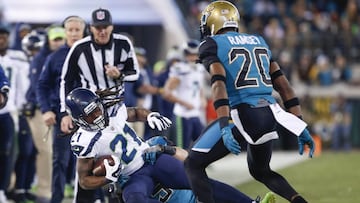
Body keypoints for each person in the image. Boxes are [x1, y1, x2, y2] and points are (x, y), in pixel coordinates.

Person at [184, 1, 315, 203]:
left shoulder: (212, 44)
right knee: (260, 170)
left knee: (192, 163)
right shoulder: (258, 40)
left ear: (212, 22)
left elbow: (218, 84)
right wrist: (300, 125)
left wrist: (224, 126)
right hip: (270, 113)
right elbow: (284, 86)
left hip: (242, 114)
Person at [65, 87, 275, 203]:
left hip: (150, 158)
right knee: (135, 200)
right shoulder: (83, 141)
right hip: (131, 177)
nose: (97, 114)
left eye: (97, 109)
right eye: (90, 114)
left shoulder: (111, 111)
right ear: (79, 119)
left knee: (199, 181)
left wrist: (150, 116)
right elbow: (84, 181)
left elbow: (136, 112)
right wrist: (107, 178)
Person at [58, 8, 140, 202]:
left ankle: (118, 198)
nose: (102, 31)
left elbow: (135, 72)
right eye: (98, 27)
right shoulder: (80, 47)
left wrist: (119, 75)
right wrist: (65, 112)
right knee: (88, 162)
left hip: (116, 113)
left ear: (111, 27)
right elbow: (66, 81)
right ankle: (85, 199)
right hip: (89, 114)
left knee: (123, 159)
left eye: (105, 27)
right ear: (91, 28)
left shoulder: (123, 43)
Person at [37, 16, 87, 203]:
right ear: (65, 32)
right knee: (60, 160)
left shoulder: (91, 54)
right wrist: (46, 110)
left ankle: (90, 198)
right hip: (62, 115)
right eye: (70, 30)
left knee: (90, 159)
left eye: (77, 30)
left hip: (88, 116)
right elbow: (42, 85)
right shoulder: (54, 57)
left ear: (84, 31)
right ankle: (56, 200)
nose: (73, 33)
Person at [23, 24, 66, 203]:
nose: (58, 42)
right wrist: (47, 108)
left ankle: (53, 191)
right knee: (46, 152)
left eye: (60, 39)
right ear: (48, 40)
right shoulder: (40, 58)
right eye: (55, 39)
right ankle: (44, 192)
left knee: (56, 154)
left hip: (56, 110)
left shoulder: (64, 57)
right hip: (40, 110)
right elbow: (37, 86)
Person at [0, 25, 29, 203]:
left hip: (7, 111)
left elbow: (14, 85)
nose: (1, 39)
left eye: (4, 35)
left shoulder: (16, 58)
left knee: (7, 153)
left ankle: (3, 189)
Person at [162, 40, 207, 149]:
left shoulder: (200, 68)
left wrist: (202, 98)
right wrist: (184, 103)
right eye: (190, 54)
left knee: (202, 144)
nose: (192, 57)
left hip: (196, 113)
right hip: (183, 115)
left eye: (195, 54)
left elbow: (198, 87)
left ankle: (198, 165)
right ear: (184, 54)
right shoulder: (179, 69)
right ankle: (182, 166)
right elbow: (166, 93)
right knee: (182, 147)